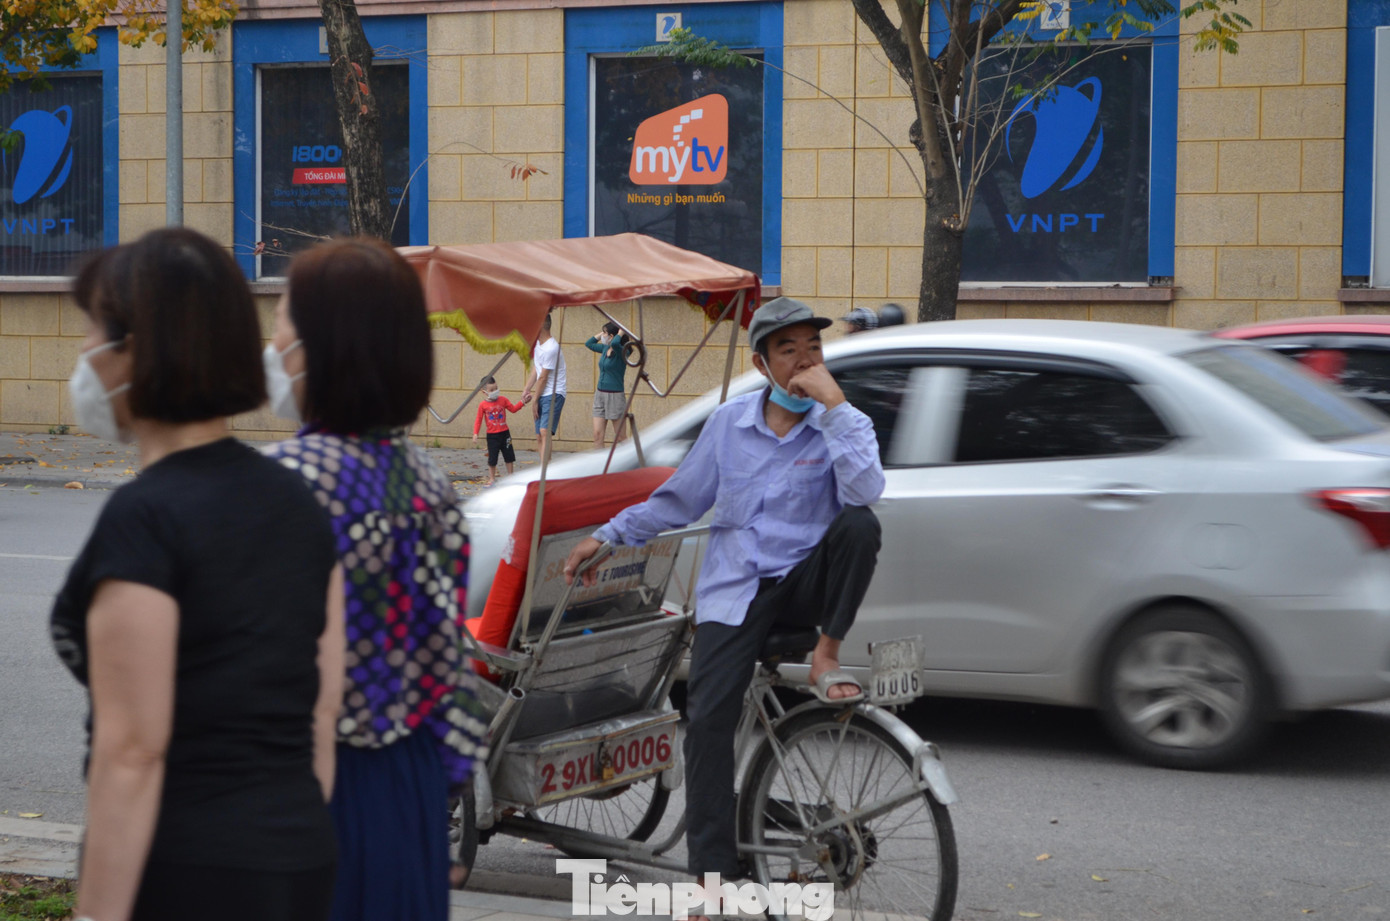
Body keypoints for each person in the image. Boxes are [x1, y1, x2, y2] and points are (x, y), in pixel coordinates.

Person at [51, 227, 344, 921]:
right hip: (299, 853)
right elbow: (322, 709)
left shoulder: (144, 518)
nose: (85, 353)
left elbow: (133, 748)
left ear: (135, 351)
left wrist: (96, 912)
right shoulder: (297, 503)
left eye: (94, 330)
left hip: (184, 866)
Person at [562, 296, 885, 900]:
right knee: (708, 722)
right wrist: (607, 537)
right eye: (788, 351)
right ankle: (713, 878)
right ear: (763, 365)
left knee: (861, 525)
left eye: (813, 349)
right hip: (734, 592)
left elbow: (866, 491)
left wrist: (836, 405)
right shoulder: (729, 424)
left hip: (801, 585)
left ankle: (826, 655)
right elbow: (679, 500)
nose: (804, 362)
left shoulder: (844, 421)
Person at [262, 238, 489, 921]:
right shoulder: (430, 483)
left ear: (320, 344)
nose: (271, 340)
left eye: (281, 320)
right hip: (412, 780)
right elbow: (450, 660)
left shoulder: (284, 484)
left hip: (311, 785)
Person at [523, 311, 567, 458]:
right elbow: (537, 368)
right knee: (539, 435)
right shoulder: (538, 345)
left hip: (554, 393)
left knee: (544, 432)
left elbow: (543, 377)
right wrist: (527, 389)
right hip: (542, 393)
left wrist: (534, 400)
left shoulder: (551, 348)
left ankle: (545, 474)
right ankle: (544, 470)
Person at [472, 374, 528, 485]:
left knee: (509, 455)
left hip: (505, 434)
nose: (495, 391)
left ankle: (511, 476)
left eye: (496, 388)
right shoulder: (482, 405)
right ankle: (492, 478)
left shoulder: (503, 400)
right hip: (492, 436)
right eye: (492, 390)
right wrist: (475, 433)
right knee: (492, 457)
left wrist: (523, 402)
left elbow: (513, 409)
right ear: (484, 392)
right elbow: (478, 420)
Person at [586, 320, 630, 449]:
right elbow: (589, 344)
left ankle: (636, 460)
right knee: (597, 435)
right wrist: (603, 333)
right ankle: (601, 467)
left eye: (606, 334)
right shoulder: (605, 348)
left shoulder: (623, 351)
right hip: (600, 394)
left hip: (615, 396)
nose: (603, 336)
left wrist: (620, 333)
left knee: (621, 437)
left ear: (612, 336)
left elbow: (616, 343)